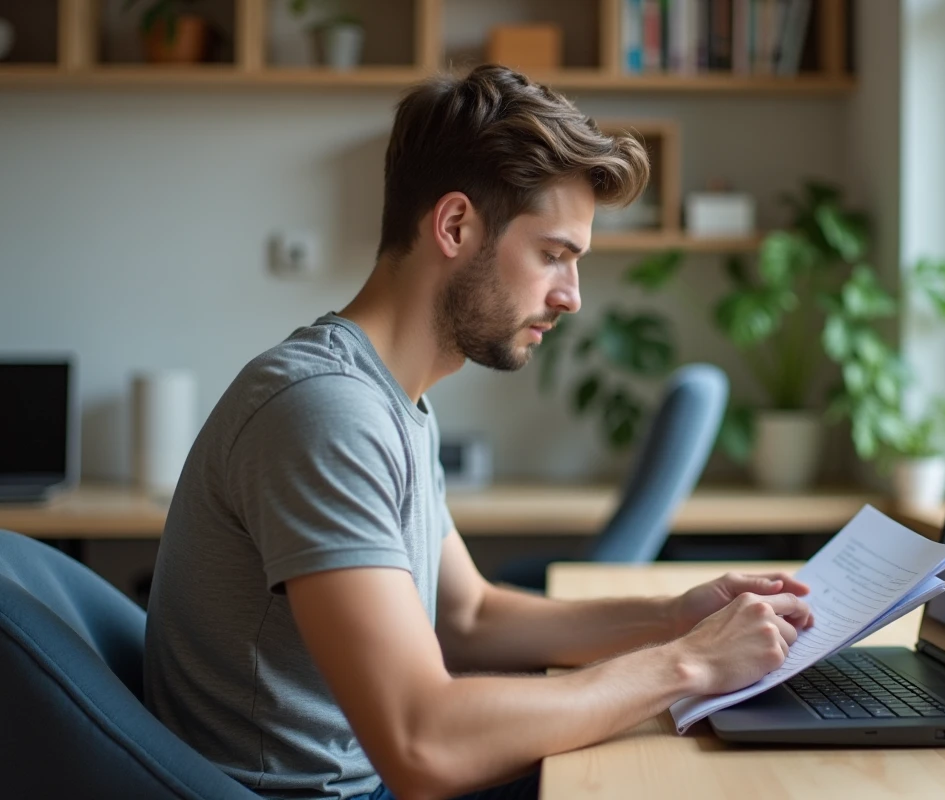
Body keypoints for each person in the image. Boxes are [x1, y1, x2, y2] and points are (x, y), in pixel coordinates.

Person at [143, 64, 814, 800]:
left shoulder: (391, 398)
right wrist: (688, 664)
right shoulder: (325, 412)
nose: (572, 296)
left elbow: (468, 616)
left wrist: (672, 619)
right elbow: (421, 744)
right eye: (554, 255)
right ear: (455, 226)